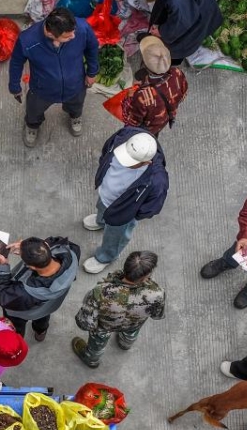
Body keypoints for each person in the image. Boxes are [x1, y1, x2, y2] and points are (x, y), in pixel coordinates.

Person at [82, 128, 169, 275]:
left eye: (130, 161)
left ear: (147, 162)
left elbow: (152, 207)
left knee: (115, 237)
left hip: (122, 211)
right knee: (101, 208)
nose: (123, 161)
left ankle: (105, 257)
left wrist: (129, 214)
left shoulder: (157, 180)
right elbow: (106, 151)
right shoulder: (125, 135)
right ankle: (101, 221)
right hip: (105, 194)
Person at [8, 7, 99, 146]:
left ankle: (75, 116)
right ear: (51, 34)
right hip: (42, 88)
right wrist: (14, 86)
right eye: (67, 36)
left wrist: (92, 72)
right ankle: (32, 125)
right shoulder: (27, 40)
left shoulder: (82, 28)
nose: (74, 36)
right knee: (34, 109)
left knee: (77, 104)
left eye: (73, 31)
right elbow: (16, 62)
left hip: (75, 83)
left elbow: (92, 48)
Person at [72, 250, 165, 368]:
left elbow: (86, 322)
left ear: (126, 266)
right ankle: (125, 344)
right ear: (144, 277)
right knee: (131, 332)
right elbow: (157, 315)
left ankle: (92, 359)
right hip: (134, 324)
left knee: (98, 342)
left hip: (104, 327)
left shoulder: (100, 292)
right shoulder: (157, 293)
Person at [0, 236, 81, 343]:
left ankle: (17, 342)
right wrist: (30, 248)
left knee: (16, 328)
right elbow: (53, 241)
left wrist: (3, 267)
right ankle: (41, 332)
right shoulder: (71, 252)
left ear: (32, 267)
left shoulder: (25, 293)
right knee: (42, 317)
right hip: (48, 306)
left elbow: (5, 297)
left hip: (23, 313)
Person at [120, 36, 188, 137]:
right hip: (162, 121)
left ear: (145, 65)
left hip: (147, 128)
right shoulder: (177, 73)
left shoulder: (143, 96)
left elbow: (132, 122)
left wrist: (129, 98)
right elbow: (183, 95)